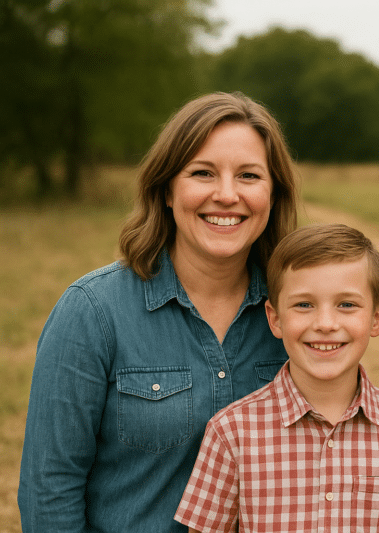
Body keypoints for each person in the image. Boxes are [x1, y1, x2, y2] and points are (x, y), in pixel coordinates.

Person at [18, 92, 298, 532]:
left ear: (273, 193)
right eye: (202, 173)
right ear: (167, 188)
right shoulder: (93, 311)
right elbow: (50, 486)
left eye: (248, 175)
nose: (227, 195)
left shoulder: (296, 315)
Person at [174, 223, 379, 533]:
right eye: (304, 305)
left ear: (377, 317)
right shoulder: (231, 432)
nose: (325, 323)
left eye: (346, 305)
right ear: (275, 319)